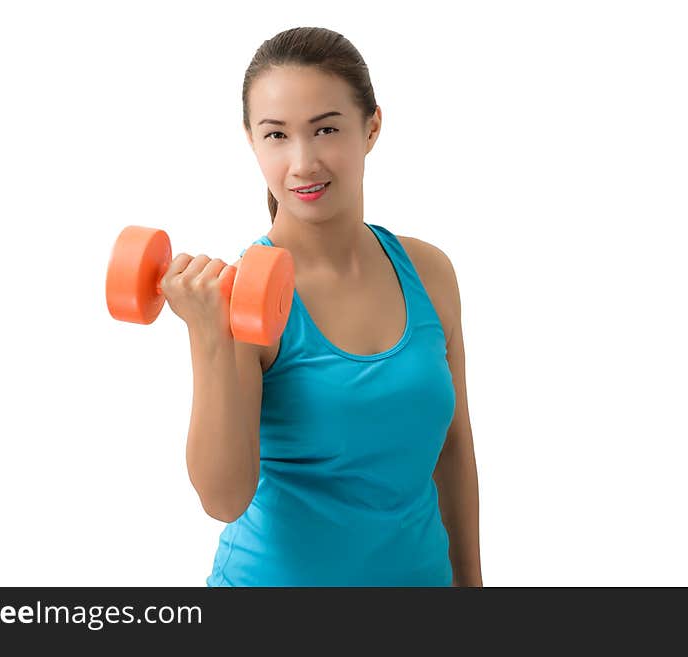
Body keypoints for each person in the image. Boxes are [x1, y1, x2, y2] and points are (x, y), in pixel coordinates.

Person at [160, 26, 482, 587]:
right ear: (251, 141)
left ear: (372, 127)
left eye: (326, 129)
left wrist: (474, 586)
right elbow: (222, 498)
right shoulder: (245, 299)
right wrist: (208, 334)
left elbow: (453, 449)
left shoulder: (431, 272)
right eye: (277, 135)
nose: (303, 162)